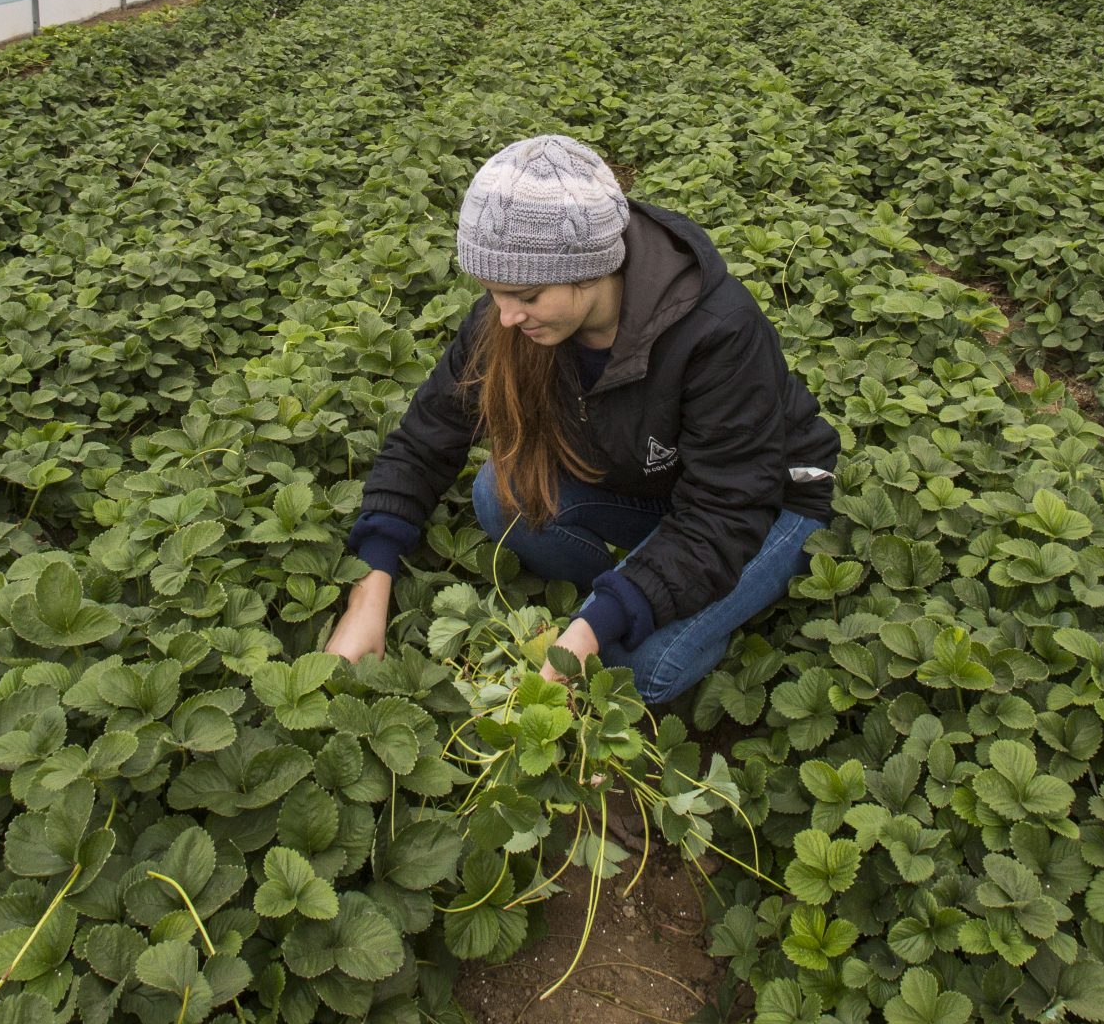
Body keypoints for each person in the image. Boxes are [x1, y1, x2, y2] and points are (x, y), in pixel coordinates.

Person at [323, 134, 839, 704]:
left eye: (526, 296)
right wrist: (369, 590)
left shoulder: (717, 330)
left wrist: (598, 625)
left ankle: (667, 605)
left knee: (639, 670)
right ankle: (646, 583)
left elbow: (726, 507)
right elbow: (426, 438)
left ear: (591, 271)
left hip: (767, 500)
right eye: (492, 292)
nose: (506, 315)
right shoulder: (511, 315)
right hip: (650, 482)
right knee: (502, 494)